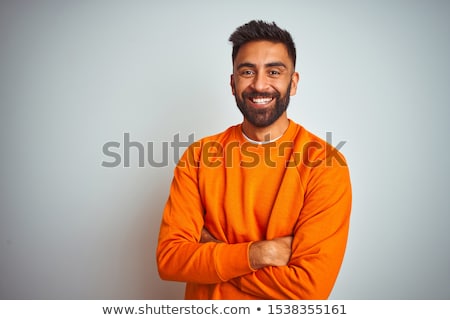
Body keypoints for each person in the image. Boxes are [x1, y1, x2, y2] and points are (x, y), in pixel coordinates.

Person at [156, 20, 352, 300]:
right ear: (233, 83)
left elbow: (308, 289)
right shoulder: (198, 157)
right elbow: (171, 260)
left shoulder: (325, 164)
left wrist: (215, 255)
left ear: (292, 83)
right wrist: (260, 253)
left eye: (274, 71)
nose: (260, 84)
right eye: (247, 71)